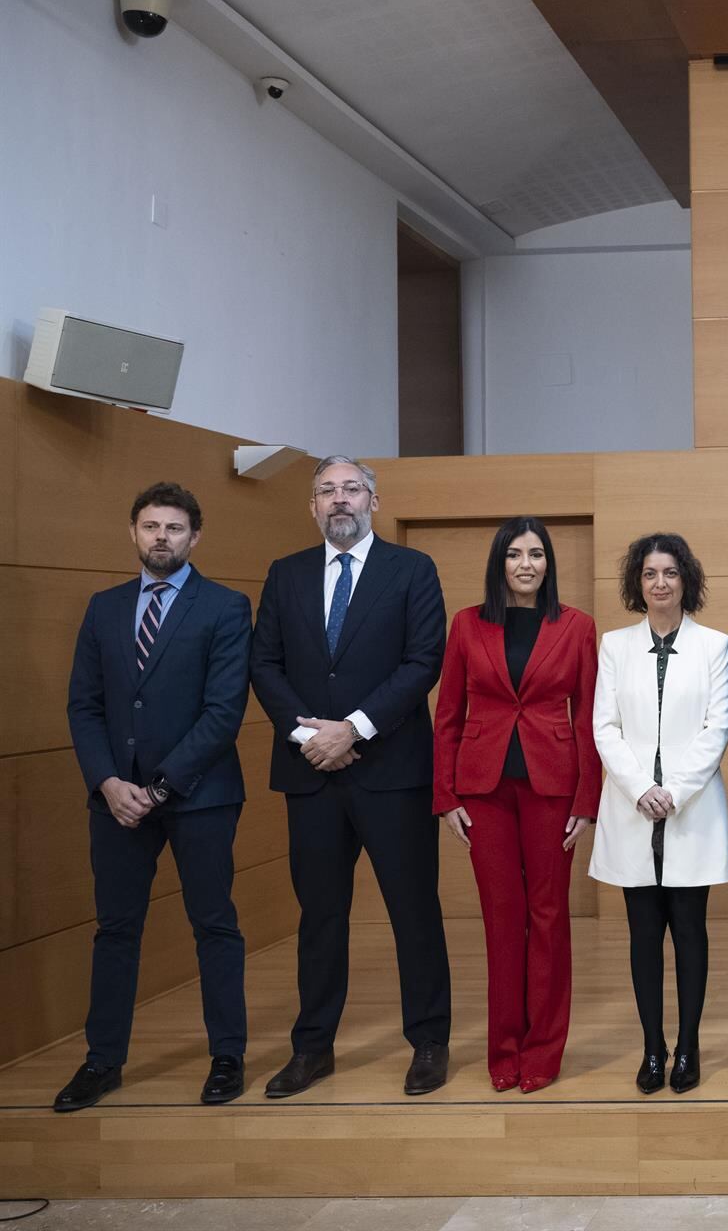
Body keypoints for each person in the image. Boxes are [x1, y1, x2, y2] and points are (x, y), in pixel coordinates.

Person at [250, 457, 450, 1098]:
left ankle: (427, 1043)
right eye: (327, 491)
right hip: (310, 774)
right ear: (312, 506)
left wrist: (354, 728)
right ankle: (312, 1049)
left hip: (391, 772)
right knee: (320, 917)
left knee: (413, 913)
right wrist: (312, 736)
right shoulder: (285, 575)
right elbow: (264, 665)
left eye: (351, 489)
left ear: (374, 500)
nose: (340, 500)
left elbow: (424, 660)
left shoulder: (412, 570)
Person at [57, 483, 253, 1112]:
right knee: (115, 930)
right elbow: (84, 706)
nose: (161, 537)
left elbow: (223, 713)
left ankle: (227, 1057)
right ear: (134, 534)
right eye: (150, 527)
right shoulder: (103, 608)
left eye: (173, 528)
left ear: (195, 537)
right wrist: (109, 784)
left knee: (213, 925)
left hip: (200, 797)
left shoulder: (225, 607)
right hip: (115, 801)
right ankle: (103, 1061)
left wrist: (159, 786)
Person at [433, 517, 600, 1094]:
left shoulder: (576, 626)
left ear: (548, 564)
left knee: (549, 918)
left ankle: (544, 1050)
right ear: (498, 563)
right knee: (502, 919)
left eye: (536, 554)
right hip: (483, 790)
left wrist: (588, 799)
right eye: (514, 554)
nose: (526, 564)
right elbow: (448, 714)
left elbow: (589, 719)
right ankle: (503, 1048)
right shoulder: (466, 625)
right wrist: (445, 795)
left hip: (553, 787)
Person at [590, 532, 728, 1094]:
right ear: (637, 583)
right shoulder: (614, 646)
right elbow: (605, 726)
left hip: (689, 808)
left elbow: (715, 729)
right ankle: (654, 1048)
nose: (659, 583)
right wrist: (638, 789)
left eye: (669, 573)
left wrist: (671, 791)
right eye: (649, 573)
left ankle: (688, 1048)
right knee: (643, 935)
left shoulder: (716, 646)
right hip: (631, 810)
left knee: (690, 932)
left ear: (686, 580)